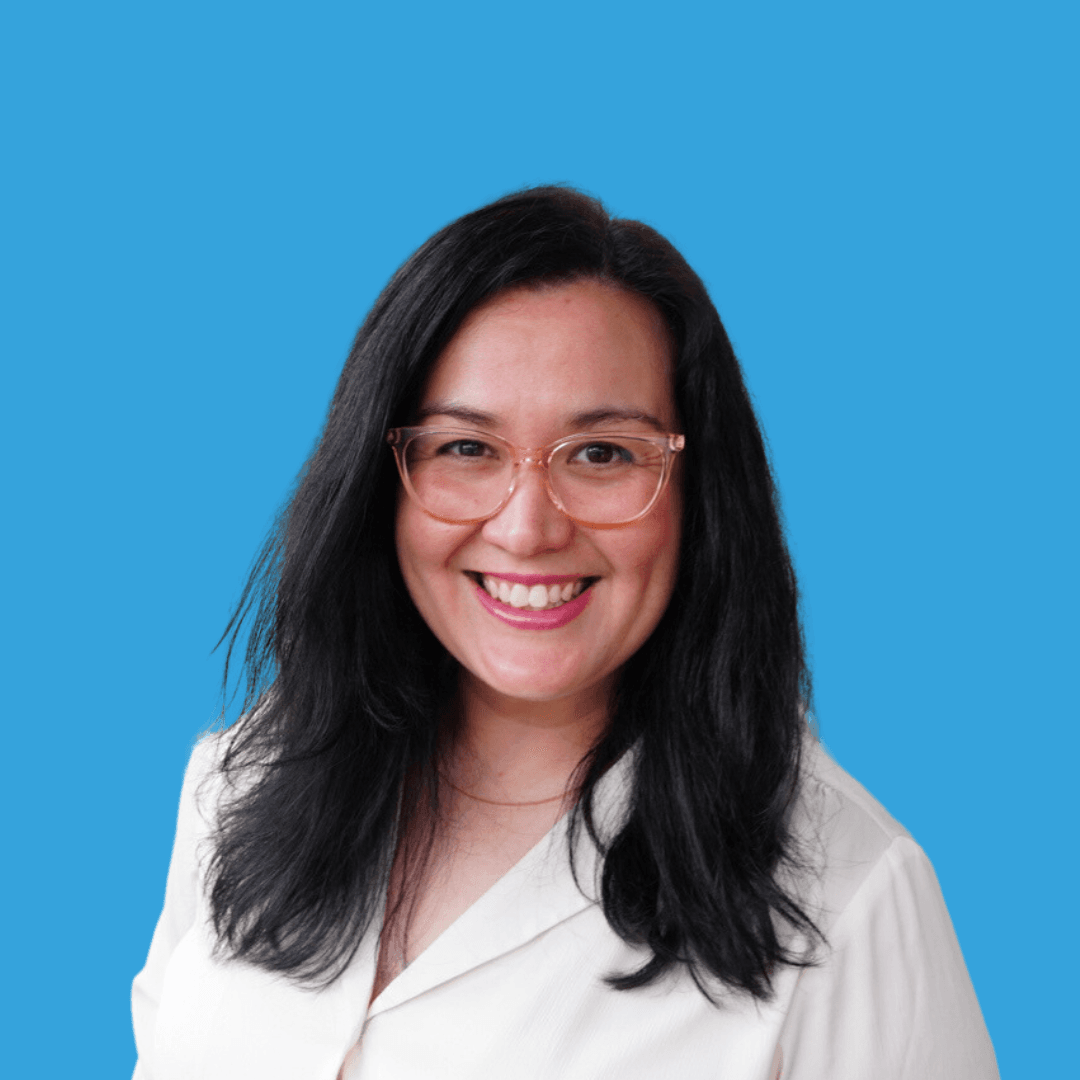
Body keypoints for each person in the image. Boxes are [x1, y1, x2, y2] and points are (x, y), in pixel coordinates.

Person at [131, 186, 998, 1079]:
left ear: (701, 502)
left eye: (603, 454)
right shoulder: (242, 787)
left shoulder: (848, 899)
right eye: (465, 448)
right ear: (379, 482)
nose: (528, 528)